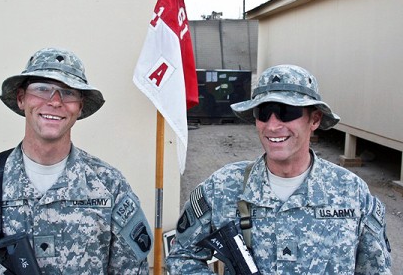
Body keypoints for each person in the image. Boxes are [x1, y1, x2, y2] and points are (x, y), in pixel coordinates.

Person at [0, 47, 153, 274]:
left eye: (68, 92)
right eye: (42, 89)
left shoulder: (109, 184)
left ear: (80, 107)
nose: (55, 102)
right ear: (21, 99)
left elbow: (133, 269)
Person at [166, 64, 392, 274]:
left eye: (287, 112)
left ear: (314, 120)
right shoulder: (223, 187)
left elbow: (377, 269)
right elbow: (182, 256)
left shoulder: (351, 192)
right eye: (263, 113)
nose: (273, 126)